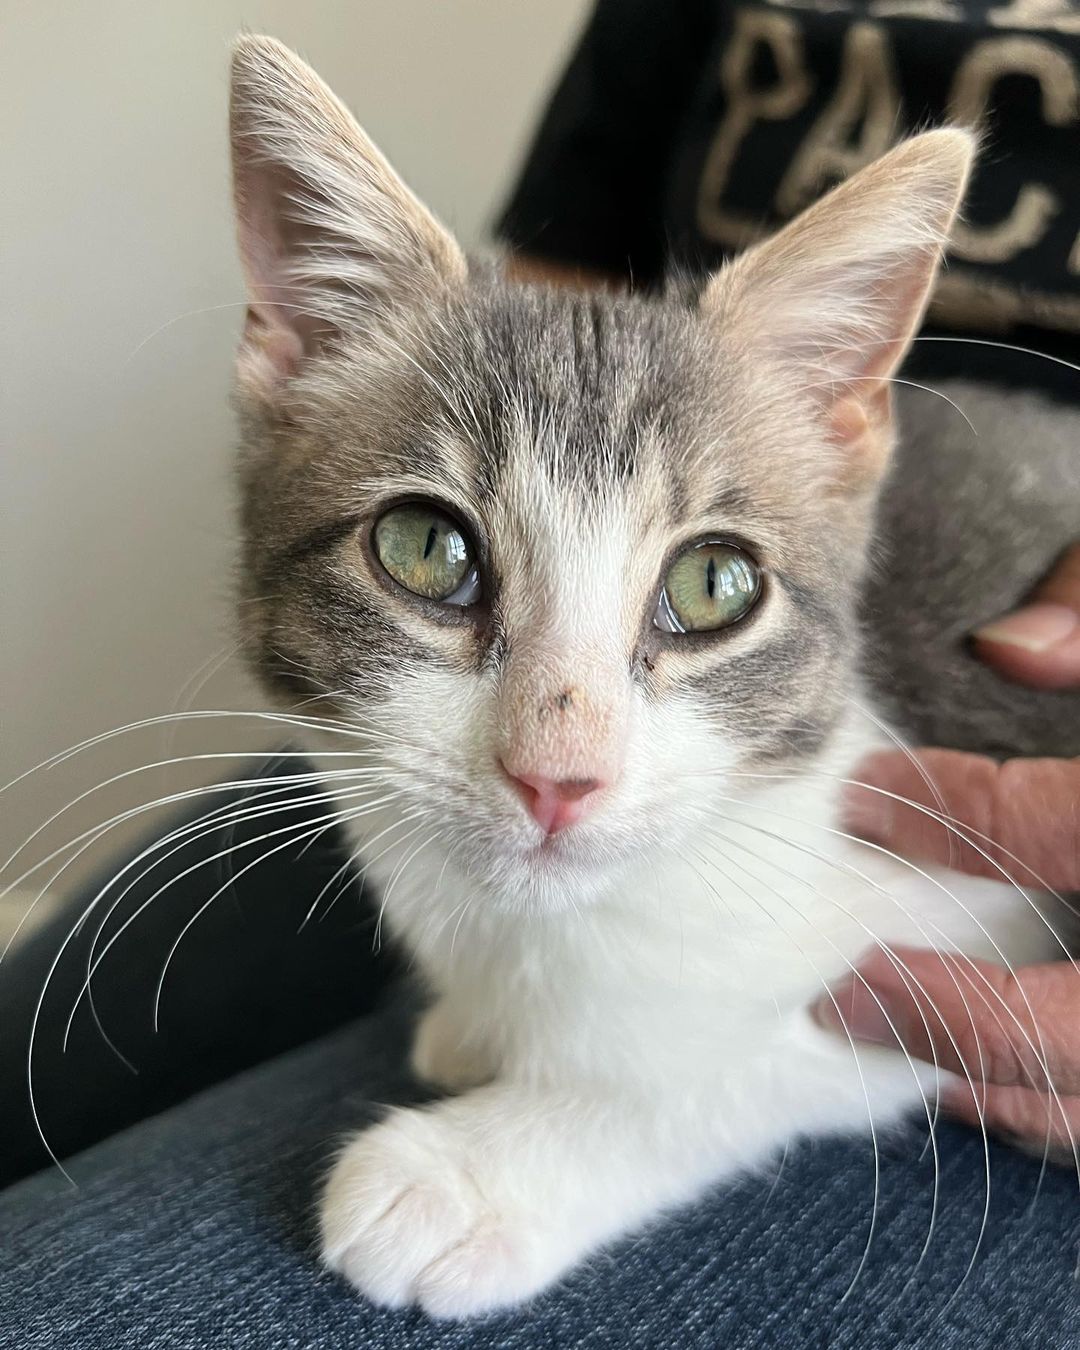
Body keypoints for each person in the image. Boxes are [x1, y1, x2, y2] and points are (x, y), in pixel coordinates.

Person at [3, 3, 1078, 1344]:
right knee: (23, 1055)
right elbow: (547, 315)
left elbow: (946, 974)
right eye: (431, 552)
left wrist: (585, 1135)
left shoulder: (841, 816)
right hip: (614, 475)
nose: (556, 757)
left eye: (706, 588)